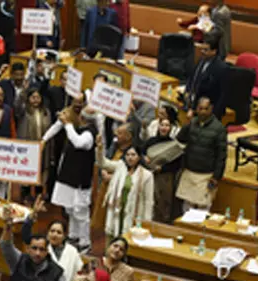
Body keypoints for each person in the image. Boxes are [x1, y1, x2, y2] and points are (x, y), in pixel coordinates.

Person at [42, 96, 97, 253]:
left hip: (80, 180)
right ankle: (73, 236)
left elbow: (78, 142)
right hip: (68, 176)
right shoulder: (78, 126)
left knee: (81, 211)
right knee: (70, 209)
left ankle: (85, 241)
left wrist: (67, 125)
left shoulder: (89, 134)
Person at [21, 196, 83, 281]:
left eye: (59, 232)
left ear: (64, 236)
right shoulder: (41, 248)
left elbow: (79, 273)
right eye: (52, 231)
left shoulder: (72, 251)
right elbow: (26, 236)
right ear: (47, 233)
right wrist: (33, 214)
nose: (54, 234)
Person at [175, 97, 227, 212]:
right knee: (186, 209)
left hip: (206, 175)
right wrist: (187, 123)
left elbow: (221, 155)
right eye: (200, 108)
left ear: (211, 109)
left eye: (206, 109)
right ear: (196, 109)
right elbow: (180, 139)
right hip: (189, 171)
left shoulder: (219, 128)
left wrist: (216, 177)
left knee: (202, 210)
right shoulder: (192, 123)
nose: (203, 111)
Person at [97, 141, 154, 240]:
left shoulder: (146, 175)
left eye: (133, 155)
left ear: (139, 157)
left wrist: (146, 222)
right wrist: (100, 149)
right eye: (127, 155)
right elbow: (103, 163)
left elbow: (148, 201)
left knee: (128, 240)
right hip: (117, 210)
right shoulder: (120, 167)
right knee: (113, 239)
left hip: (134, 214)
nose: (130, 158)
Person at [15, 87, 52, 202]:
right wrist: (22, 93)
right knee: (27, 172)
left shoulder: (46, 112)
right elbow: (16, 107)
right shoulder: (23, 111)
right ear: (28, 98)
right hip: (27, 148)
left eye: (38, 97)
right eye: (33, 97)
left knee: (41, 174)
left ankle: (38, 199)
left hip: (42, 149)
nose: (36, 100)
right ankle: (25, 197)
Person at [143, 117, 183, 223]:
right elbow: (141, 154)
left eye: (167, 125)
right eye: (162, 125)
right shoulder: (151, 141)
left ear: (170, 128)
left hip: (165, 178)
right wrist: (145, 158)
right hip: (149, 175)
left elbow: (177, 164)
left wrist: (162, 168)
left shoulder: (173, 144)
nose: (164, 127)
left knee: (163, 203)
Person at [184, 35, 228, 119]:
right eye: (202, 48)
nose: (202, 51)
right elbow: (193, 78)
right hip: (193, 103)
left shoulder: (221, 68)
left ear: (214, 51)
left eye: (205, 50)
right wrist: (187, 90)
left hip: (207, 111)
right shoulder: (201, 61)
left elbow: (221, 94)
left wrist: (195, 109)